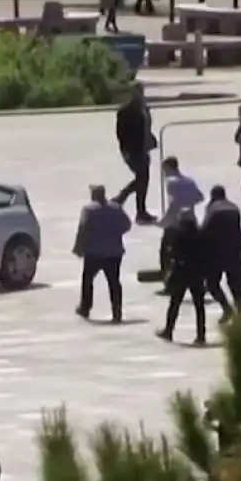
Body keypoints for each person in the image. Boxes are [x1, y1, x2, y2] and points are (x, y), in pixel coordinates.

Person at [73, 184, 132, 322]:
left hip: (94, 252)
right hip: (114, 252)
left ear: (93, 195)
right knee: (114, 282)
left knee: (88, 279)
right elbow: (127, 225)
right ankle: (117, 312)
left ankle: (85, 307)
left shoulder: (88, 210)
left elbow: (83, 229)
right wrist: (115, 233)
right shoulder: (116, 208)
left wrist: (78, 247)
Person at [156, 209, 207, 345]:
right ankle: (201, 335)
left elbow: (173, 252)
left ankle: (169, 330)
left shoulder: (178, 234)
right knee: (199, 306)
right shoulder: (201, 235)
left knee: (175, 303)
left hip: (182, 272)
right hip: (197, 272)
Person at [201, 185, 241, 322]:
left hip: (217, 252)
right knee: (236, 286)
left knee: (212, 284)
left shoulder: (213, 209)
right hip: (235, 250)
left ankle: (227, 309)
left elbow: (205, 230)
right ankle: (240, 314)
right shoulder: (234, 207)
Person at [158, 156, 204, 293]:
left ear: (167, 167)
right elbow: (199, 197)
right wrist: (188, 203)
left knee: (167, 254)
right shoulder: (189, 181)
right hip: (191, 219)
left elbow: (174, 203)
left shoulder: (170, 182)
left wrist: (165, 220)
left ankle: (169, 283)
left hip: (175, 223)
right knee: (192, 253)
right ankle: (199, 281)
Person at [114, 82, 158, 224]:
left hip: (143, 147)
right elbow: (121, 134)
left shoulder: (144, 108)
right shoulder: (125, 111)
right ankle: (124, 199)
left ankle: (138, 209)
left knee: (143, 180)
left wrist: (150, 139)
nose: (140, 94)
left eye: (141, 91)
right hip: (132, 149)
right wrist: (125, 150)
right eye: (137, 91)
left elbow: (147, 126)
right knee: (142, 178)